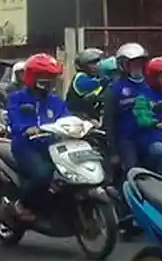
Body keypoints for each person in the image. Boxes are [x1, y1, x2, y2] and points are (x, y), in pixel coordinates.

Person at [7, 53, 68, 213]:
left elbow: (67, 118)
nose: (49, 80)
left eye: (52, 76)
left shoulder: (56, 101)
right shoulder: (17, 98)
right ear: (32, 76)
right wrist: (26, 129)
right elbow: (14, 120)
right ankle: (22, 203)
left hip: (52, 145)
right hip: (25, 146)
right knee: (43, 174)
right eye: (44, 76)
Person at [102, 42, 149, 171]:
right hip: (126, 140)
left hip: (149, 138)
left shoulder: (150, 85)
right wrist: (113, 152)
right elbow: (109, 121)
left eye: (140, 63)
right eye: (133, 64)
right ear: (123, 65)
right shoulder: (115, 89)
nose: (137, 67)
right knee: (132, 170)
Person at [133, 56, 162, 174]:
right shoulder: (143, 97)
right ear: (154, 78)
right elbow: (141, 119)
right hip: (151, 140)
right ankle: (161, 184)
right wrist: (157, 122)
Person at [66, 48, 106, 120]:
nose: (96, 66)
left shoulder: (95, 77)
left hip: (90, 117)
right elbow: (89, 85)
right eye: (92, 63)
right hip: (77, 119)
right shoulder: (80, 77)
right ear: (84, 65)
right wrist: (105, 81)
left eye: (97, 63)